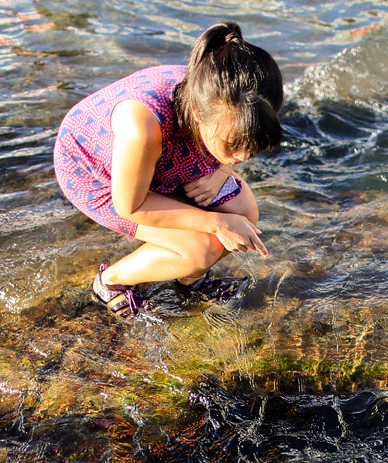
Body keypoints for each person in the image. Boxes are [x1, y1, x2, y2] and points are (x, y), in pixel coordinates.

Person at [53, 21, 283, 315]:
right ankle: (109, 282)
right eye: (232, 145)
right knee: (202, 248)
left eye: (251, 146)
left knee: (245, 212)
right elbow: (130, 207)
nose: (242, 156)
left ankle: (188, 280)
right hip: (98, 174)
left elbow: (235, 148)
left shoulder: (243, 97)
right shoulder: (143, 128)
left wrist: (221, 169)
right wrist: (215, 223)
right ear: (200, 115)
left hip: (171, 154)